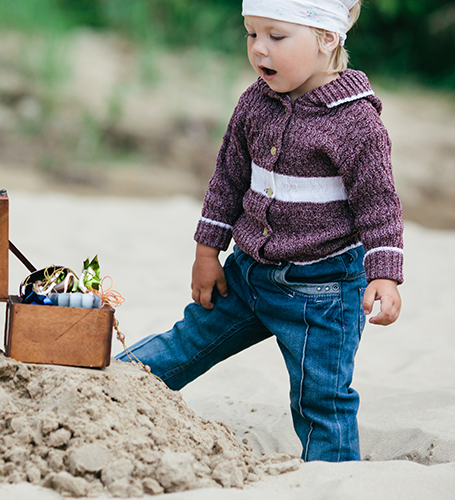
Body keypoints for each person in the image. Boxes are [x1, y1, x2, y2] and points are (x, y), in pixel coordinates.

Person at [115, 0, 403, 462]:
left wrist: (384, 274)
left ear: (327, 38)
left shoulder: (357, 123)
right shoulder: (255, 103)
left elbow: (379, 206)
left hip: (322, 292)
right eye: (251, 34)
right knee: (184, 344)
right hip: (248, 276)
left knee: (321, 399)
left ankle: (334, 479)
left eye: (276, 36)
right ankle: (103, 387)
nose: (258, 49)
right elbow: (227, 180)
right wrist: (207, 253)